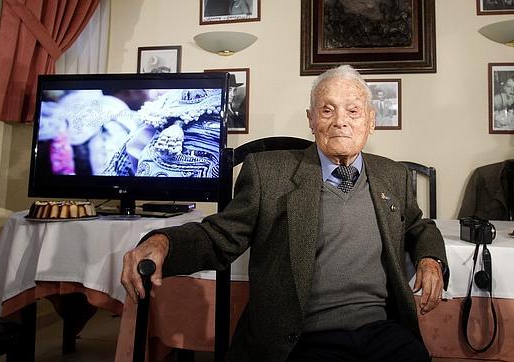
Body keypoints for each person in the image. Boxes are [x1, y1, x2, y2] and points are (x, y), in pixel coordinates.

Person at [121, 65, 448, 361]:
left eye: (353, 110)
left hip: (382, 330)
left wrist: (430, 258)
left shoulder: (392, 175)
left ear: (371, 121)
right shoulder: (269, 173)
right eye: (327, 109)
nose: (340, 121)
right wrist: (164, 242)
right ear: (311, 119)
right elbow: (220, 236)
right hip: (305, 337)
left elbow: (418, 226)